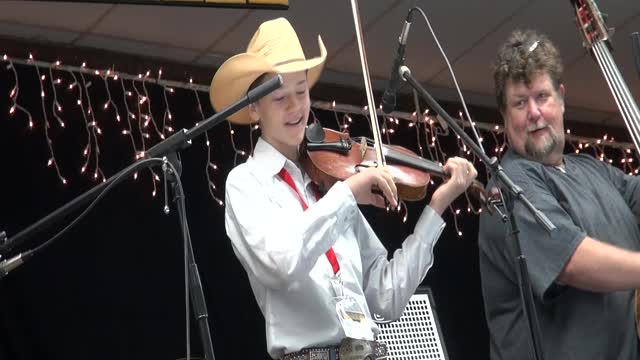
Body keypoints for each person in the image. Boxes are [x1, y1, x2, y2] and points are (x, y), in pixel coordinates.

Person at [209, 18, 478, 359]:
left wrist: (436, 207)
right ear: (253, 106)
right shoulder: (246, 183)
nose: (295, 108)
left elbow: (387, 297)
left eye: (301, 92)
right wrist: (348, 194)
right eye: (279, 97)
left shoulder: (325, 183)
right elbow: (281, 264)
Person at [478, 29, 640, 360]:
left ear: (562, 97)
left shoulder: (595, 171)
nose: (534, 113)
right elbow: (571, 261)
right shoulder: (509, 186)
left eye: (542, 97)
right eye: (520, 103)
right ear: (505, 117)